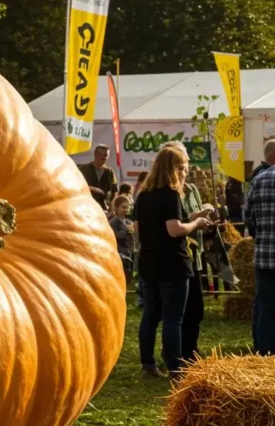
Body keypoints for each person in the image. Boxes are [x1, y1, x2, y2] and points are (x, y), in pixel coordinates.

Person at [135, 147, 214, 379]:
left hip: (148, 261)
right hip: (172, 263)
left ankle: (147, 363)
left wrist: (193, 217)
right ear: (175, 169)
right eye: (183, 169)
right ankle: (175, 369)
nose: (185, 174)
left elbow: (146, 227)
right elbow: (174, 229)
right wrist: (196, 225)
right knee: (173, 319)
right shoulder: (170, 194)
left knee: (150, 314)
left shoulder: (143, 195)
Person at [246, 147, 275, 355]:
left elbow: (249, 219)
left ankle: (264, 356)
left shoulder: (258, 180)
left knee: (265, 309)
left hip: (264, 257)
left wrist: (261, 236)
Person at [79, 145, 118, 210]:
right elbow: (76, 185)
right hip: (86, 205)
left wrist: (112, 206)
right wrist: (93, 189)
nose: (105, 157)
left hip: (104, 207)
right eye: (103, 155)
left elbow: (115, 190)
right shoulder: (84, 169)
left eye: (107, 155)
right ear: (95, 154)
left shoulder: (110, 172)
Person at [110, 194, 135, 285]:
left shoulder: (127, 221)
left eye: (128, 207)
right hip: (120, 252)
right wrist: (126, 229)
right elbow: (115, 236)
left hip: (128, 251)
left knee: (128, 273)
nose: (126, 210)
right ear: (116, 208)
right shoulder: (114, 221)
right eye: (123, 207)